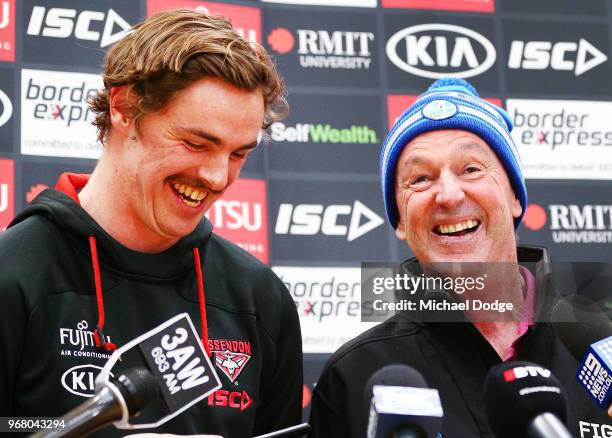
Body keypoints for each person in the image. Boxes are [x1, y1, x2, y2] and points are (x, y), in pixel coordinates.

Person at [0, 10, 302, 438]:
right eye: (196, 143)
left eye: (238, 154)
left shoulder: (258, 298)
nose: (217, 178)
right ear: (124, 108)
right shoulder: (13, 273)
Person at [308, 78, 610, 437]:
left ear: (515, 197)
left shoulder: (598, 351)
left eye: (471, 169)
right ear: (400, 221)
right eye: (420, 178)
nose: (449, 195)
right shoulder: (355, 374)